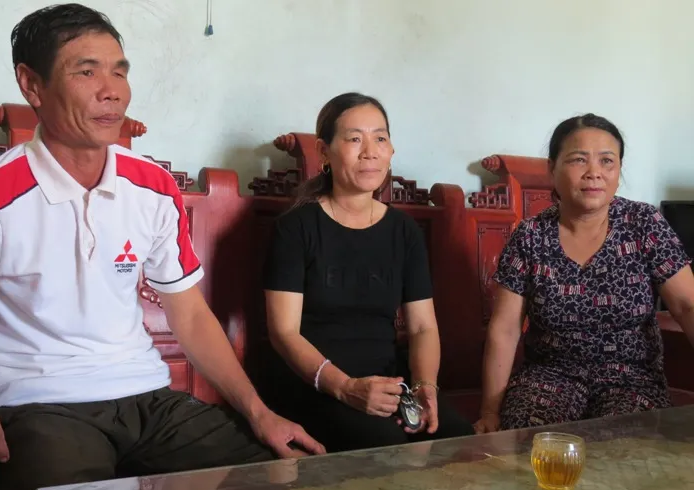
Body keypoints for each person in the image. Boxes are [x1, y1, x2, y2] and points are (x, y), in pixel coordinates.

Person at [0, 4, 323, 490]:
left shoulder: (153, 186)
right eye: (86, 71)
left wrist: (258, 412)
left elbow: (188, 312)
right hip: (43, 407)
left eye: (120, 71)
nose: (112, 90)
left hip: (151, 400)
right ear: (32, 85)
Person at [260, 92, 474, 453]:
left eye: (380, 138)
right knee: (385, 448)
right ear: (324, 152)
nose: (370, 152)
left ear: (391, 150)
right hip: (313, 383)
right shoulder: (295, 228)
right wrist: (345, 387)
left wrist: (425, 387)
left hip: (387, 382)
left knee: (457, 439)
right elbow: (284, 333)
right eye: (354, 139)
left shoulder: (404, 231)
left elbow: (422, 327)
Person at [474, 113, 694, 433]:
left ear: (618, 170)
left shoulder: (644, 224)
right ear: (552, 168)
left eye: (607, 161)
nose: (594, 173)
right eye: (579, 160)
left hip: (631, 379)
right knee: (531, 439)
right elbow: (505, 329)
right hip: (549, 377)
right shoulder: (530, 236)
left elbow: (687, 306)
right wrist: (489, 412)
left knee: (627, 442)